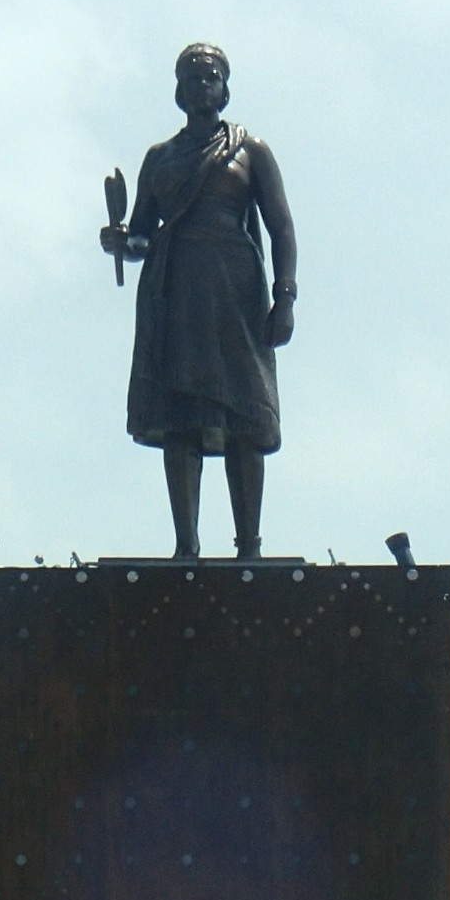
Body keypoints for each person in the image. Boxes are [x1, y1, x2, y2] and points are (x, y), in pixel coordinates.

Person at [100, 44, 297, 560]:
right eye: (190, 77)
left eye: (209, 77)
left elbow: (281, 226)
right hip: (178, 289)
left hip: (236, 288)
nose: (200, 85)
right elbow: (143, 234)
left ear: (224, 87)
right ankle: (186, 544)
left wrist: (286, 296)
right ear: (178, 90)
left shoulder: (250, 150)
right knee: (181, 414)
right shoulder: (160, 159)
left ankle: (247, 545)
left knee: (243, 416)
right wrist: (122, 243)